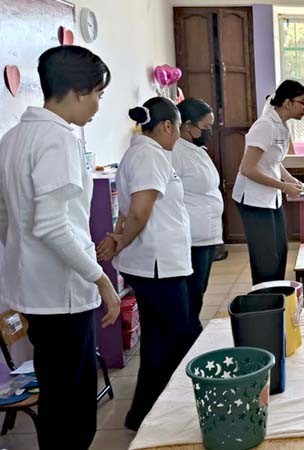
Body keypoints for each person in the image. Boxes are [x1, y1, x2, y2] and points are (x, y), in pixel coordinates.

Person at [0, 45, 119, 449]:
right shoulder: (58, 140)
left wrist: (22, 259)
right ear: (78, 91)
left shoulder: (13, 137)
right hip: (62, 294)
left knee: (55, 395)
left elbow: (5, 217)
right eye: (98, 96)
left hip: (33, 290)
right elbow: (52, 226)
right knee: (74, 405)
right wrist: (100, 278)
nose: (98, 107)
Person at [97, 97, 196, 431]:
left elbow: (127, 211)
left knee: (162, 337)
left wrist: (119, 235)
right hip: (158, 265)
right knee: (171, 337)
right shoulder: (150, 154)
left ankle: (145, 412)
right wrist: (122, 239)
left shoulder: (140, 153)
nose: (179, 136)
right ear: (167, 125)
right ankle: (150, 413)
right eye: (178, 128)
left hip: (156, 263)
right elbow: (140, 208)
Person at [232, 80, 304, 285]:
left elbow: (273, 162)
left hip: (270, 199)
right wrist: (284, 187)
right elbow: (248, 169)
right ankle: (265, 303)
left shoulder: (281, 126)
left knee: (280, 251)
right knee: (266, 259)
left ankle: (277, 296)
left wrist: (289, 179)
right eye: (303, 102)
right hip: (253, 200)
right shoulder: (264, 125)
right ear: (287, 103)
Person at [173, 98, 223, 334]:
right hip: (192, 237)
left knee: (198, 291)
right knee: (191, 293)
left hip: (207, 235)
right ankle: (189, 335)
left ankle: (191, 330)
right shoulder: (175, 153)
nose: (209, 132)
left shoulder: (195, 150)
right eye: (205, 127)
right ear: (187, 125)